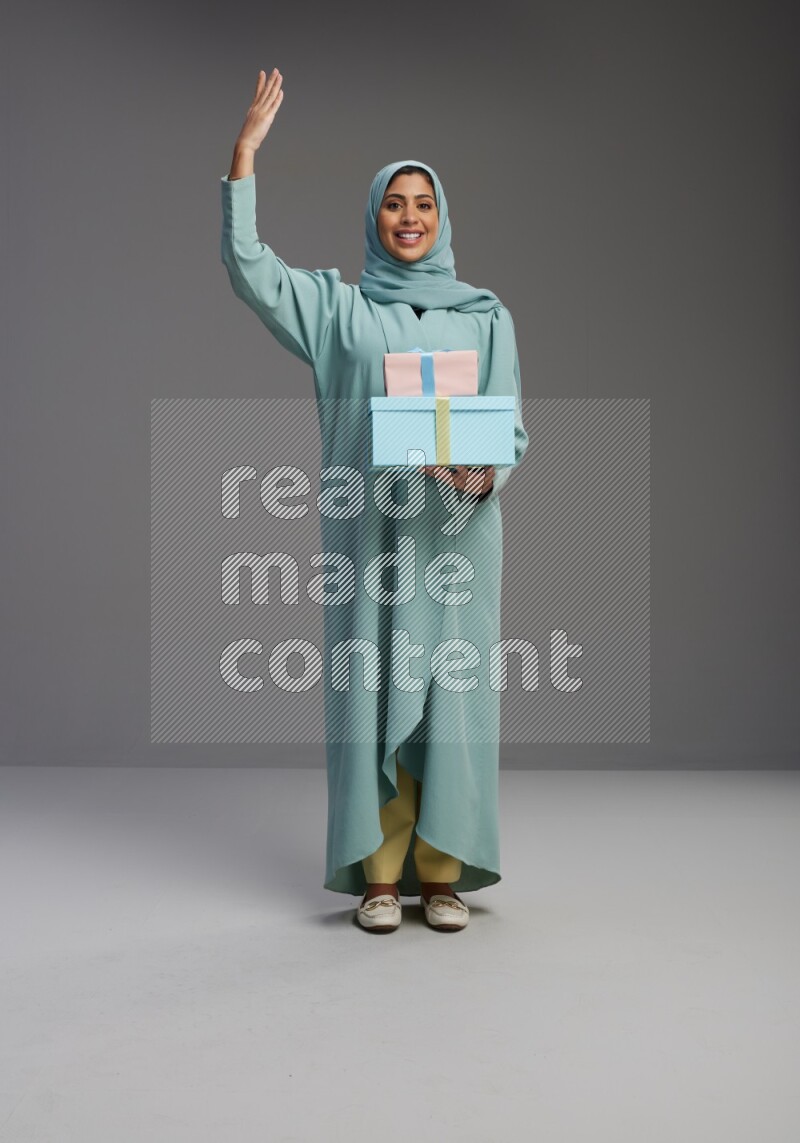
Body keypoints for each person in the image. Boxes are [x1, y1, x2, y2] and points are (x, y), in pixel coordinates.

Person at [220, 68, 528, 934]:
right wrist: (242, 160)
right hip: (373, 542)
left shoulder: (486, 317)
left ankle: (444, 870)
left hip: (460, 540)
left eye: (423, 204)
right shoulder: (341, 312)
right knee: (373, 694)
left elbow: (508, 431)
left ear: (442, 217)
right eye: (395, 204)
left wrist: (479, 473)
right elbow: (252, 272)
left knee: (454, 700)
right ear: (373, 216)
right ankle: (380, 872)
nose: (409, 218)